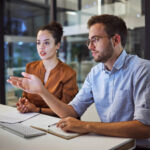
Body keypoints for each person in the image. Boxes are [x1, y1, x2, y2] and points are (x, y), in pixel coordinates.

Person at [8, 14, 150, 149]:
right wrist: (41, 90)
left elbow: (145, 128)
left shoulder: (142, 69)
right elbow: (70, 112)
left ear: (116, 40)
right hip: (107, 144)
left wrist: (86, 126)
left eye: (95, 39)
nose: (90, 46)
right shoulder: (95, 74)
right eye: (89, 41)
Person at [15, 22, 78, 116]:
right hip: (31, 121)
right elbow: (26, 97)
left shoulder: (68, 73)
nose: (41, 47)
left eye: (46, 43)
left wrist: (37, 109)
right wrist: (24, 104)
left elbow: (68, 111)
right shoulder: (31, 67)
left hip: (57, 125)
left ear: (57, 45)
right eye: (38, 43)